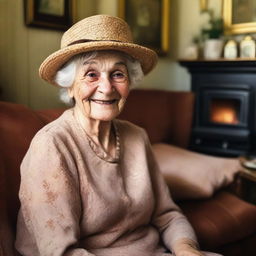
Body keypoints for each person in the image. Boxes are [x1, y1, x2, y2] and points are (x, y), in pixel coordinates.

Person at [15, 14, 221, 256]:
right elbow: (61, 252)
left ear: (130, 81)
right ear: (69, 85)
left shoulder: (137, 137)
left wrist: (186, 249)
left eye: (118, 74)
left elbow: (167, 215)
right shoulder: (52, 145)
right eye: (91, 74)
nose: (107, 87)